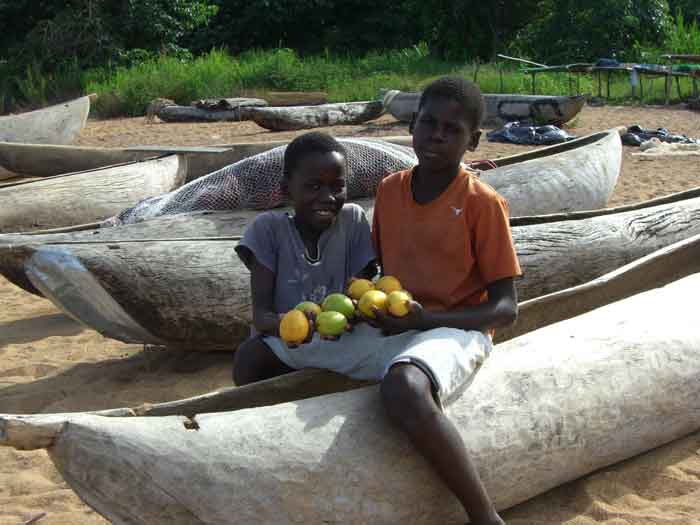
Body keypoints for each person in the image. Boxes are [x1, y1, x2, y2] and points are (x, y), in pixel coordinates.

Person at [368, 75, 521, 524]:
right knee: (260, 355)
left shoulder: (482, 203)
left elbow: (505, 309)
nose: (436, 135)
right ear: (412, 125)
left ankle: (484, 515)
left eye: (451, 129)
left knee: (404, 388)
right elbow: (380, 272)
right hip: (402, 324)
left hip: (459, 329)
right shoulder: (390, 189)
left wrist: (424, 321)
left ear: (472, 141)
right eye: (427, 123)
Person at [233, 131, 377, 385]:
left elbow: (360, 294)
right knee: (248, 358)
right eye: (313, 186)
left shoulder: (352, 221)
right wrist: (298, 326)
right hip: (288, 343)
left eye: (337, 186)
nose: (327, 197)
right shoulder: (267, 229)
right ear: (286, 189)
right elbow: (263, 317)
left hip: (341, 340)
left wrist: (345, 319)